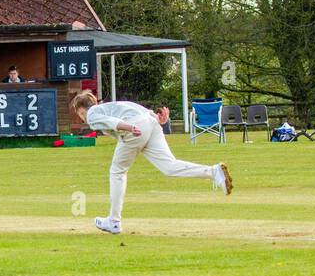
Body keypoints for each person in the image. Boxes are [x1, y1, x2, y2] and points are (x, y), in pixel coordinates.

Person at [70, 90, 231, 235]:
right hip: (150, 124)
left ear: (82, 109)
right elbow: (143, 112)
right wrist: (160, 120)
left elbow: (114, 124)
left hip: (134, 128)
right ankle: (213, 172)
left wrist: (129, 127)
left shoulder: (92, 113)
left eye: (80, 114)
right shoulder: (113, 106)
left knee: (117, 171)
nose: (82, 118)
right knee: (169, 166)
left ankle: (113, 221)